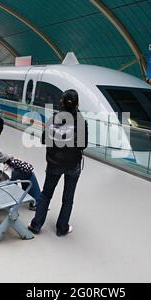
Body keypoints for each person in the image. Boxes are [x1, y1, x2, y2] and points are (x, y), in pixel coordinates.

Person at [29, 89, 88, 237]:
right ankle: (62, 228)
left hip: (54, 163)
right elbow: (82, 145)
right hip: (73, 165)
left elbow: (44, 140)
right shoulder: (81, 122)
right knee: (68, 198)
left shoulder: (53, 119)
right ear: (78, 104)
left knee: (46, 194)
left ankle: (36, 224)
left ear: (61, 102)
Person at [0, 115, 42, 207]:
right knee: (28, 173)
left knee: (19, 170)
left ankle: (25, 197)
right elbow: (2, 157)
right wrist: (13, 157)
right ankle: (37, 203)